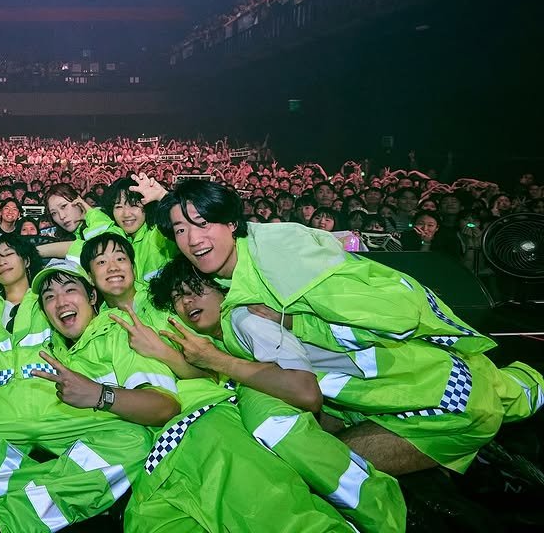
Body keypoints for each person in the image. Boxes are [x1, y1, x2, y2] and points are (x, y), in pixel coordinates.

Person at [139, 177, 544, 476]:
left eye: (203, 222)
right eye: (180, 230)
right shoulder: (237, 286)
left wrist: (293, 317)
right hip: (400, 391)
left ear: (231, 223)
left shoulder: (278, 255)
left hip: (439, 400)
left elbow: (396, 314)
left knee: (322, 471)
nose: (192, 238)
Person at [141, 256, 406, 532]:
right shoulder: (221, 337)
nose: (187, 302)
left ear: (222, 289)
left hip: (396, 389)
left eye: (195, 289)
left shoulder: (245, 319)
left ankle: (377, 506)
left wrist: (217, 360)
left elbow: (307, 394)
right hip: (359, 405)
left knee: (263, 416)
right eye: (177, 298)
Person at [0, 259, 180, 532]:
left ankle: (13, 518)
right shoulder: (54, 349)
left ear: (92, 296)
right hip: (56, 431)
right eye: (49, 297)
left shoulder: (120, 333)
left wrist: (98, 394)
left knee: (135, 443)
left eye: (70, 290)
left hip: (103, 430)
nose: (60, 302)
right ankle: (64, 491)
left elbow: (164, 407)